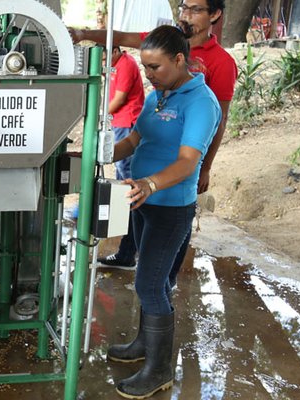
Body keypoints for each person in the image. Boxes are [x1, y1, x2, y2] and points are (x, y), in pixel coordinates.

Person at [69, 0, 235, 285]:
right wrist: (82, 33)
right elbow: (135, 139)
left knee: (156, 278)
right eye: (184, 7)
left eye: (195, 9)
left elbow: (216, 123)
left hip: (173, 189)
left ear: (215, 15)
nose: (186, 15)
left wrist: (204, 168)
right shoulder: (159, 70)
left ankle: (162, 292)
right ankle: (133, 263)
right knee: (149, 272)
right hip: (147, 190)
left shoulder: (217, 70)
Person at [106, 25, 220, 399]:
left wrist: (152, 184)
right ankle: (143, 344)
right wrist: (100, 155)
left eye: (155, 66)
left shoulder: (200, 101)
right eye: (145, 67)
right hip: (142, 200)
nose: (148, 74)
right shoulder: (161, 95)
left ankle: (158, 370)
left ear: (179, 60)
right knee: (150, 278)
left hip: (170, 207)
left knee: (151, 283)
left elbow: (189, 161)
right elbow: (135, 140)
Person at [85, 46, 145, 269]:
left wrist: (97, 117)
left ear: (116, 49)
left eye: (104, 57)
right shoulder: (114, 65)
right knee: (122, 184)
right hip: (118, 124)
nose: (103, 62)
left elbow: (119, 99)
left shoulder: (127, 65)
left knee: (128, 188)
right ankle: (128, 249)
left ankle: (130, 251)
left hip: (126, 124)